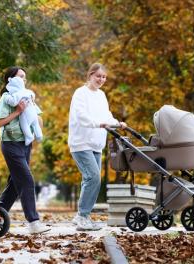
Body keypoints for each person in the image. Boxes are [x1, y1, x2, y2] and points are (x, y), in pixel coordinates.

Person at [68, 63, 126, 231]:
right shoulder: (80, 93)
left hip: (96, 144)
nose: (101, 79)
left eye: (104, 77)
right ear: (90, 75)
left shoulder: (101, 95)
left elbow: (106, 115)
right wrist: (97, 124)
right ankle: (82, 216)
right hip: (81, 142)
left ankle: (82, 216)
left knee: (92, 179)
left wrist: (116, 123)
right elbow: (81, 116)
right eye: (98, 76)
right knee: (93, 177)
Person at [0, 66, 50, 234]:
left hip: (25, 144)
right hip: (10, 144)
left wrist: (36, 120)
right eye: (21, 76)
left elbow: (37, 118)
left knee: (14, 185)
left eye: (25, 77)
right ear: (11, 79)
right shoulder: (6, 98)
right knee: (27, 180)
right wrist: (18, 111)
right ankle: (33, 222)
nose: (24, 80)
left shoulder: (27, 96)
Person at [3, 76, 43, 146]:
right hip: (33, 112)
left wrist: (6, 98)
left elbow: (13, 102)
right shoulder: (28, 91)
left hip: (26, 114)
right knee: (35, 124)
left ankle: (29, 137)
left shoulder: (17, 94)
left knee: (24, 125)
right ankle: (39, 135)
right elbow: (33, 95)